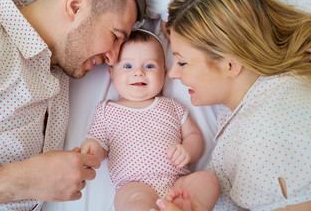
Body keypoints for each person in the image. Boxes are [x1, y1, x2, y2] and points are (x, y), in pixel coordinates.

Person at [0, 0, 144, 210]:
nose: (114, 58)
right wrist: (23, 181)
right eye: (115, 36)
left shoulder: (59, 62)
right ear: (75, 5)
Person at [156, 0, 311, 211]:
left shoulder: (270, 131)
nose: (173, 74)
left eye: (182, 62)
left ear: (230, 65)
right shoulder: (265, 95)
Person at [80, 29, 220, 211]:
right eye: (128, 66)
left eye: (149, 66)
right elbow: (100, 145)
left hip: (178, 182)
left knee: (208, 180)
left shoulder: (172, 106)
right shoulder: (107, 111)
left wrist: (188, 150)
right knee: (130, 199)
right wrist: (93, 150)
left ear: (164, 73)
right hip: (134, 184)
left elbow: (193, 135)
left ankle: (188, 206)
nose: (138, 73)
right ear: (111, 73)